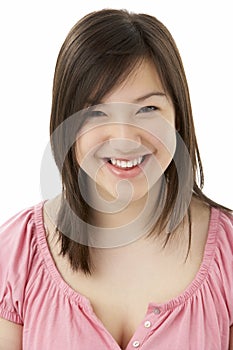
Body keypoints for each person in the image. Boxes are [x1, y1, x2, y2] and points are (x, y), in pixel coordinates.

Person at [0, 8, 232, 350]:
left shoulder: (228, 253)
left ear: (178, 117)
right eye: (95, 112)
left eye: (148, 109)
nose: (125, 137)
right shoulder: (16, 253)